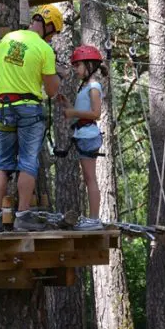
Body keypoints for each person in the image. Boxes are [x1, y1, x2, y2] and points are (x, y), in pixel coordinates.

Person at [0, 4, 64, 232]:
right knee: (27, 162)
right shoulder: (44, 49)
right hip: (29, 108)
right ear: (50, 27)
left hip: (4, 106)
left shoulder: (7, 39)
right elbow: (51, 91)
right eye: (54, 33)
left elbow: (14, 65)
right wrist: (58, 75)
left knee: (1, 162)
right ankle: (22, 216)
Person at [57, 44, 108, 231]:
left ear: (89, 65)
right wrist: (69, 105)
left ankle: (94, 219)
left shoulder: (94, 86)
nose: (76, 70)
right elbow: (83, 112)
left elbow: (96, 113)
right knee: (88, 178)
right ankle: (93, 218)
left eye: (78, 66)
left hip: (88, 135)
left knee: (90, 179)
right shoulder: (86, 87)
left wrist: (72, 112)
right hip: (84, 134)